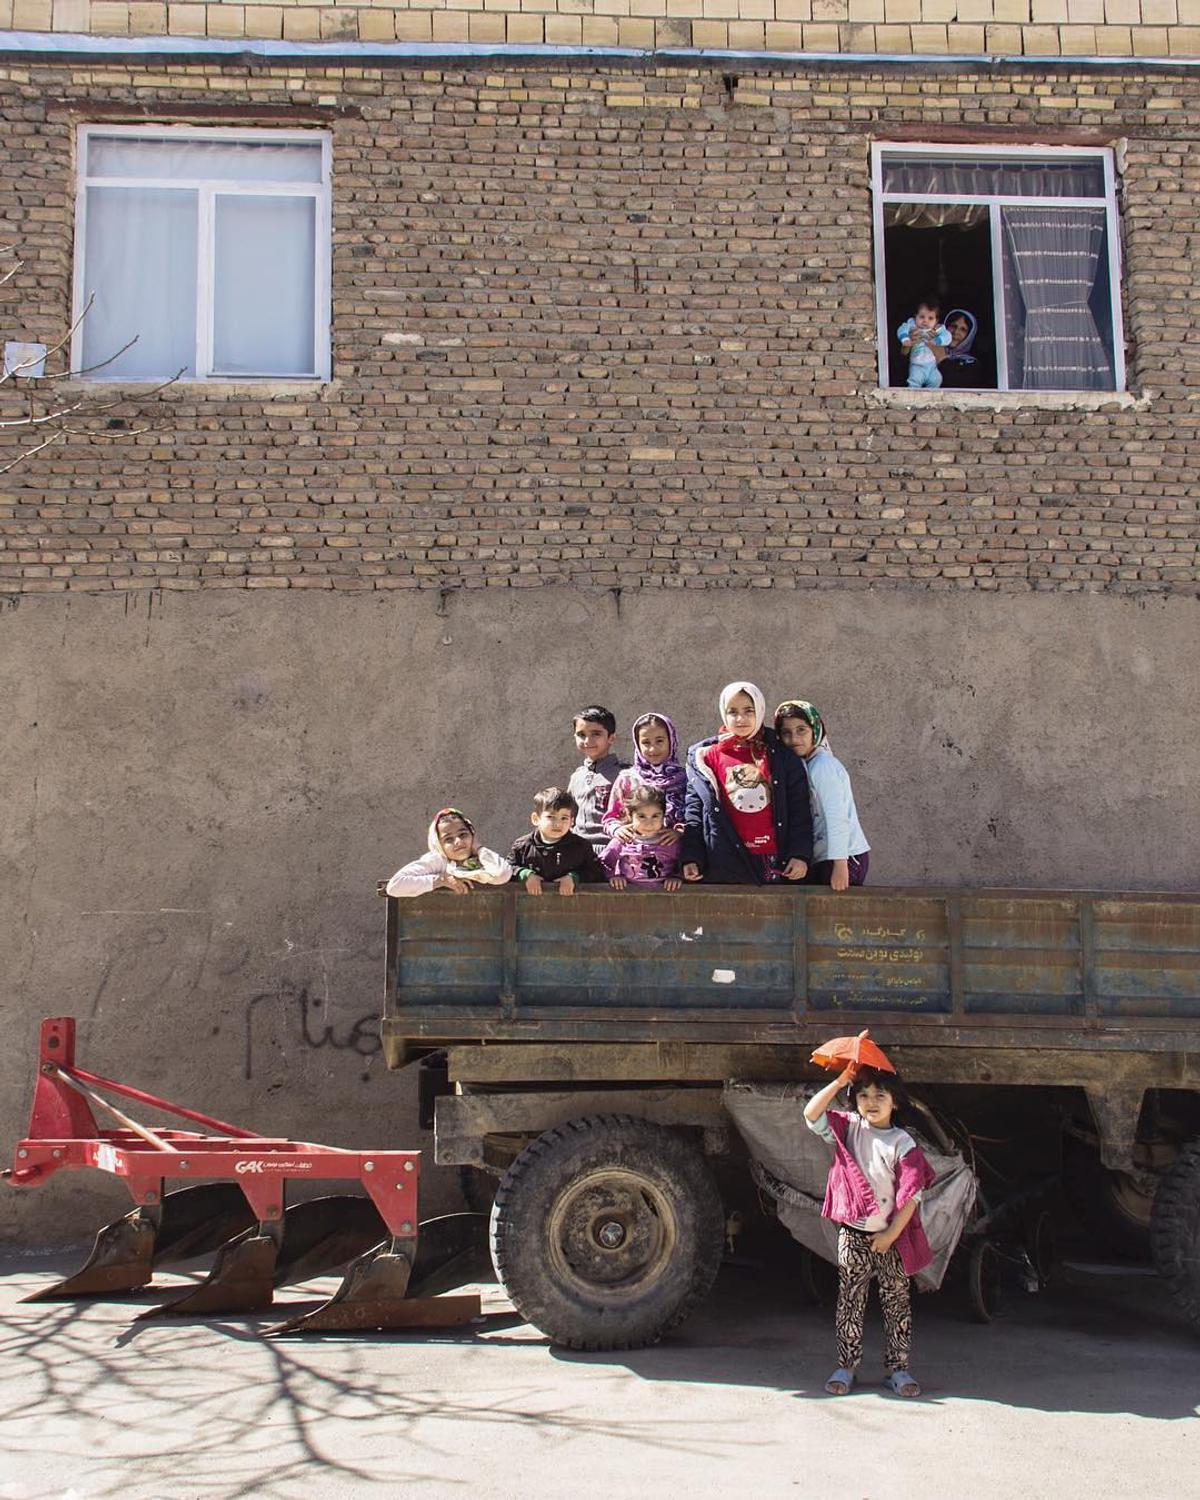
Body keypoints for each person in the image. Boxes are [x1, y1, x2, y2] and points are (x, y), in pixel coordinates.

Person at [803, 1055, 936, 1399]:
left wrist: (890, 1235)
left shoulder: (902, 1144)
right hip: (853, 1234)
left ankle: (899, 1369)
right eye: (863, 1095)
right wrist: (839, 1080)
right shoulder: (848, 1128)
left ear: (895, 1101)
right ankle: (846, 1367)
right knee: (850, 1300)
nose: (871, 1103)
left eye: (880, 1096)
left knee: (896, 1303)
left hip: (892, 1237)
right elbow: (810, 1114)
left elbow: (912, 1196)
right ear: (854, 1100)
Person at [680, 680, 813, 885]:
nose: (740, 719)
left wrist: (800, 855)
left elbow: (800, 810)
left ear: (759, 710)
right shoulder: (704, 757)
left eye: (749, 711)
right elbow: (694, 812)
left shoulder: (781, 755)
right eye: (732, 711)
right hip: (724, 860)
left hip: (774, 861)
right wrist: (691, 857)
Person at [774, 699, 870, 891]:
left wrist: (840, 866)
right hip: (827, 857)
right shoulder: (806, 765)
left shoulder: (823, 766)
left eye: (801, 730)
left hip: (843, 858)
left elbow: (837, 817)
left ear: (815, 730)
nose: (794, 738)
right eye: (786, 733)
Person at [385, 808, 512, 898]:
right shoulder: (438, 861)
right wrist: (441, 880)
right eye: (448, 839)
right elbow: (394, 886)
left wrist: (479, 848)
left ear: (473, 835)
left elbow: (502, 874)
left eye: (463, 834)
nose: (458, 841)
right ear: (439, 844)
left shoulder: (483, 860)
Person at [508, 786, 610, 896]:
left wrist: (574, 877)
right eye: (551, 817)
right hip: (532, 908)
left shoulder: (581, 846)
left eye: (564, 818)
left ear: (572, 821)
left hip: (570, 908)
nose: (558, 824)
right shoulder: (522, 846)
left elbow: (596, 871)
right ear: (535, 819)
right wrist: (524, 875)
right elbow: (507, 869)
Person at [603, 712, 687, 843]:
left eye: (660, 741)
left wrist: (680, 832)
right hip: (634, 856)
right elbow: (611, 818)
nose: (653, 749)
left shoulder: (686, 779)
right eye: (646, 742)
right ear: (637, 745)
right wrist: (617, 830)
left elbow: (696, 818)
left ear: (671, 740)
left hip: (675, 855)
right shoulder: (627, 779)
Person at [568, 705, 630, 854]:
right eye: (581, 734)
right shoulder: (577, 776)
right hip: (577, 851)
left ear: (611, 738)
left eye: (596, 734)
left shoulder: (625, 775)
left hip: (612, 850)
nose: (588, 740)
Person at [599, 783, 683, 891]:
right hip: (628, 897)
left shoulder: (670, 841)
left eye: (655, 816)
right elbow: (603, 863)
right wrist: (614, 876)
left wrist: (677, 877)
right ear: (630, 815)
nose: (649, 823)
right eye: (642, 816)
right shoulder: (623, 840)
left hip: (664, 898)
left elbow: (684, 863)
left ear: (663, 815)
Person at [896, 298, 952, 390]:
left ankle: (931, 400)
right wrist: (905, 339)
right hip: (917, 365)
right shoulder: (912, 327)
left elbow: (948, 336)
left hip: (932, 366)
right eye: (922, 317)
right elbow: (902, 329)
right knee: (914, 380)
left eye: (930, 318)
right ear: (915, 317)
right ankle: (913, 398)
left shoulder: (937, 329)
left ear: (936, 321)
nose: (925, 321)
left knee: (937, 379)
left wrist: (937, 341)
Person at [939, 307, 981, 389]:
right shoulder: (927, 352)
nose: (956, 332)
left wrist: (941, 358)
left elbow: (955, 384)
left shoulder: (972, 364)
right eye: (953, 326)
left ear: (970, 335)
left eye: (963, 329)